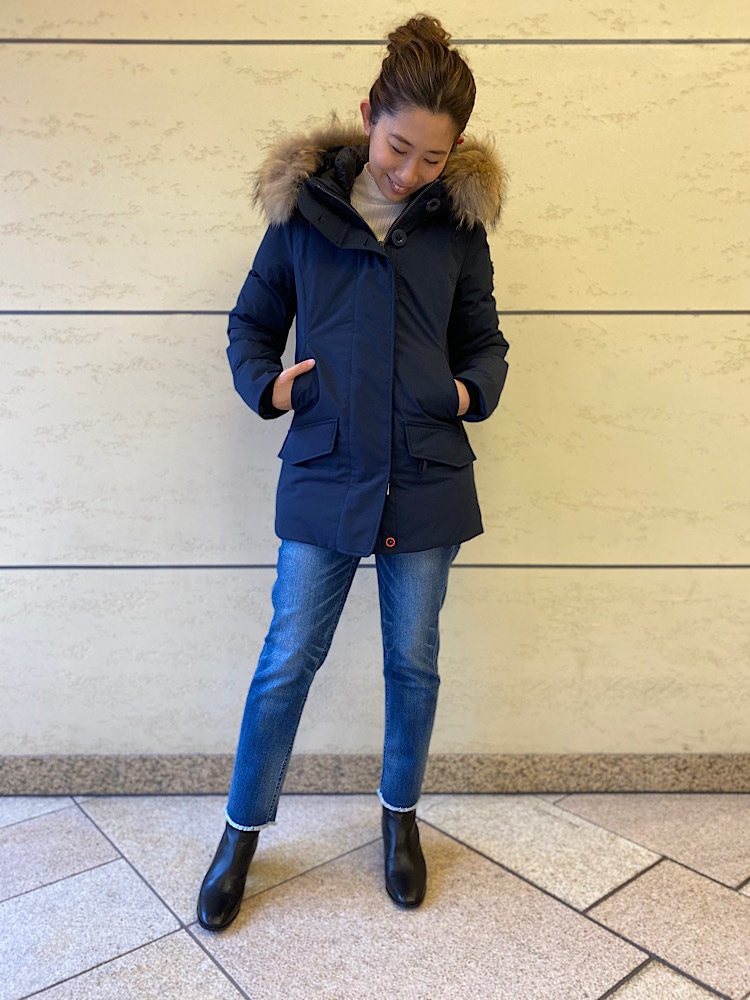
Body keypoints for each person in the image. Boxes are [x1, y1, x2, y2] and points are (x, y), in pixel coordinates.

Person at [197, 13, 509, 931]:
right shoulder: (305, 214)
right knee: (288, 657)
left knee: (413, 662)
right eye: (398, 147)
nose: (409, 173)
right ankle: (240, 835)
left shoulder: (457, 227)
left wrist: (464, 392)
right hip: (327, 466)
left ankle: (399, 821)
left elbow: (485, 341)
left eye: (432, 159)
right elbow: (251, 324)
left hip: (427, 467)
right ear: (369, 115)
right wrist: (270, 387)